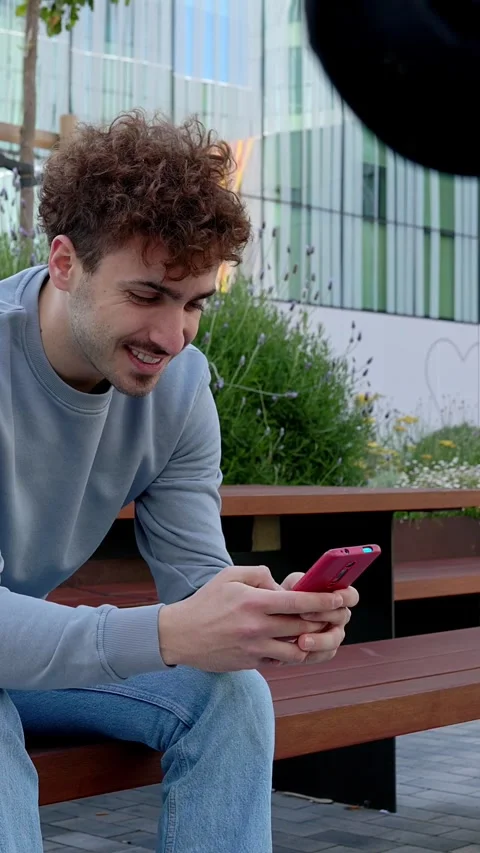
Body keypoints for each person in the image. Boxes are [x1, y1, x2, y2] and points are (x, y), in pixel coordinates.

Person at [0, 111, 358, 853]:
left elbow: (198, 581)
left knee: (230, 694)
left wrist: (264, 616)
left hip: (23, 656)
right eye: (147, 295)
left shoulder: (181, 387)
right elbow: (169, 626)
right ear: (65, 263)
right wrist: (167, 631)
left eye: (194, 303)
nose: (172, 337)